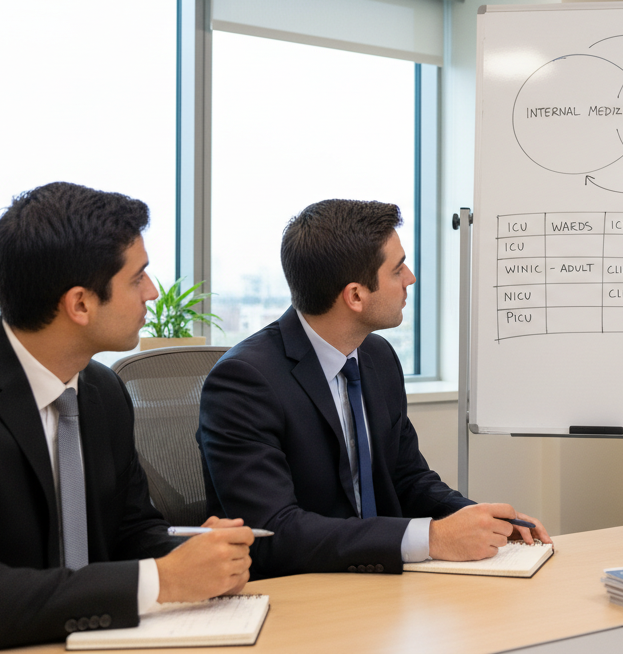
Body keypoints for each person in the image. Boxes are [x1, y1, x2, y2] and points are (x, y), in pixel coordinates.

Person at [0, 183, 254, 654]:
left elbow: (130, 532)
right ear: (80, 304)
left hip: (92, 636)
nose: (152, 293)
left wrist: (192, 553)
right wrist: (162, 580)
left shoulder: (102, 390)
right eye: (137, 279)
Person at [199, 199, 550, 577]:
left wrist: (476, 520)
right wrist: (432, 538)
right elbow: (275, 530)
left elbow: (407, 476)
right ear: (355, 295)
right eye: (397, 269)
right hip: (301, 593)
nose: (410, 278)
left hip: (384, 584)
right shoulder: (243, 381)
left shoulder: (377, 356)